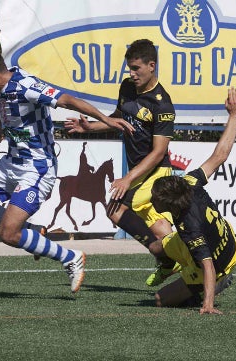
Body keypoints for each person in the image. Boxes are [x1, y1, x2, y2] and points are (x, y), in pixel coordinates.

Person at [0, 49, 134, 294]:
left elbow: (68, 100)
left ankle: (70, 257)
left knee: (8, 234)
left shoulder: (26, 85)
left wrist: (107, 120)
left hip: (36, 168)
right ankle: (32, 231)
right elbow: (2, 106)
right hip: (11, 162)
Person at [64, 39, 178, 286]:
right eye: (129, 68)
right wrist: (88, 127)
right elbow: (118, 118)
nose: (132, 73)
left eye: (136, 68)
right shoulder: (127, 87)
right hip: (140, 172)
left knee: (115, 209)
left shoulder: (162, 103)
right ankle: (178, 262)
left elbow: (159, 152)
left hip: (155, 171)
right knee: (158, 228)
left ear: (151, 66)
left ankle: (174, 259)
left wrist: (128, 178)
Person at [151, 87, 236, 314]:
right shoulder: (190, 181)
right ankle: (174, 263)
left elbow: (209, 266)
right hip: (221, 234)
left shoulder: (189, 227)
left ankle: (209, 289)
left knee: (160, 300)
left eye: (155, 200)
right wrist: (234, 116)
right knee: (155, 246)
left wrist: (207, 305)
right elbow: (220, 156)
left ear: (170, 205)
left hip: (221, 262)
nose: (153, 202)